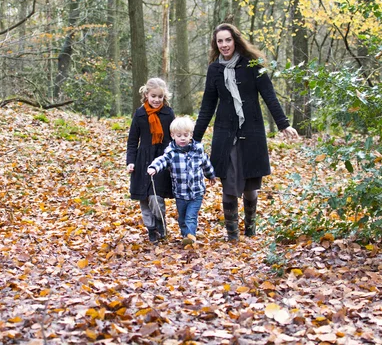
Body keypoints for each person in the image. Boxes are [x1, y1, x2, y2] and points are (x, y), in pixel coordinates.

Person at [193, 23, 300, 241]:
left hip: (252, 132)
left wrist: (283, 124)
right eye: (219, 41)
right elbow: (207, 106)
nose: (224, 45)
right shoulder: (214, 69)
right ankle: (232, 236)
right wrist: (194, 139)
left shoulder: (252, 64)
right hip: (225, 134)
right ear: (216, 44)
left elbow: (269, 95)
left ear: (236, 41)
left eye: (227, 40)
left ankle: (250, 230)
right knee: (229, 185)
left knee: (251, 187)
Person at [147, 116, 216, 245]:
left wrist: (211, 175)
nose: (183, 138)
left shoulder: (198, 150)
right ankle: (186, 236)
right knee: (182, 218)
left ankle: (190, 236)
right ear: (173, 136)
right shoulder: (171, 153)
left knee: (191, 217)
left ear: (191, 135)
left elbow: (206, 163)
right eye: (179, 135)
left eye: (186, 135)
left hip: (196, 192)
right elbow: (162, 160)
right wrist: (154, 167)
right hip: (180, 193)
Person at [126, 78, 175, 243]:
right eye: (153, 96)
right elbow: (133, 140)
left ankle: (160, 222)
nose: (156, 100)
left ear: (164, 97)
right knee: (144, 198)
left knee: (156, 196)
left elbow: (172, 139)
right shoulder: (140, 114)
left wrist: (170, 161)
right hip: (142, 160)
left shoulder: (168, 113)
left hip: (161, 159)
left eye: (160, 97)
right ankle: (151, 229)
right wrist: (131, 161)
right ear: (146, 94)